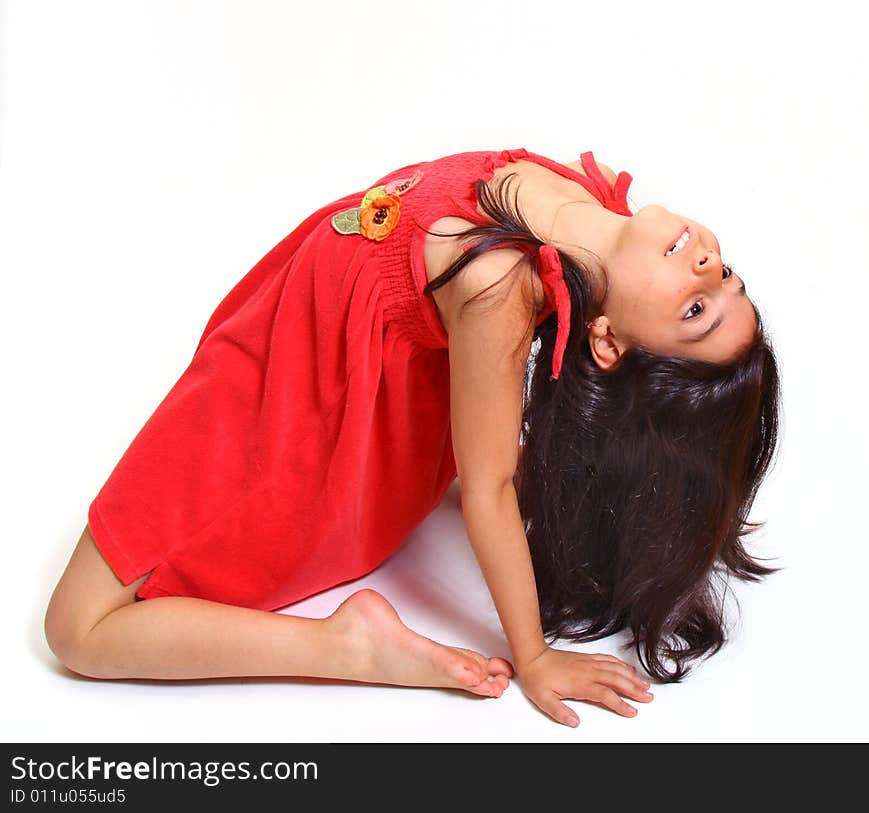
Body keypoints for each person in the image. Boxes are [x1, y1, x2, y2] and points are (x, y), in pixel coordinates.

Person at [44, 147, 781, 729]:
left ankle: (341, 647)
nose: (707, 266)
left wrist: (532, 656)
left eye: (694, 308)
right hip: (307, 326)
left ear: (610, 341)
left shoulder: (500, 286)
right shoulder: (591, 205)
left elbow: (488, 486)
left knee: (77, 629)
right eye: (726, 282)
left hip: (303, 387)